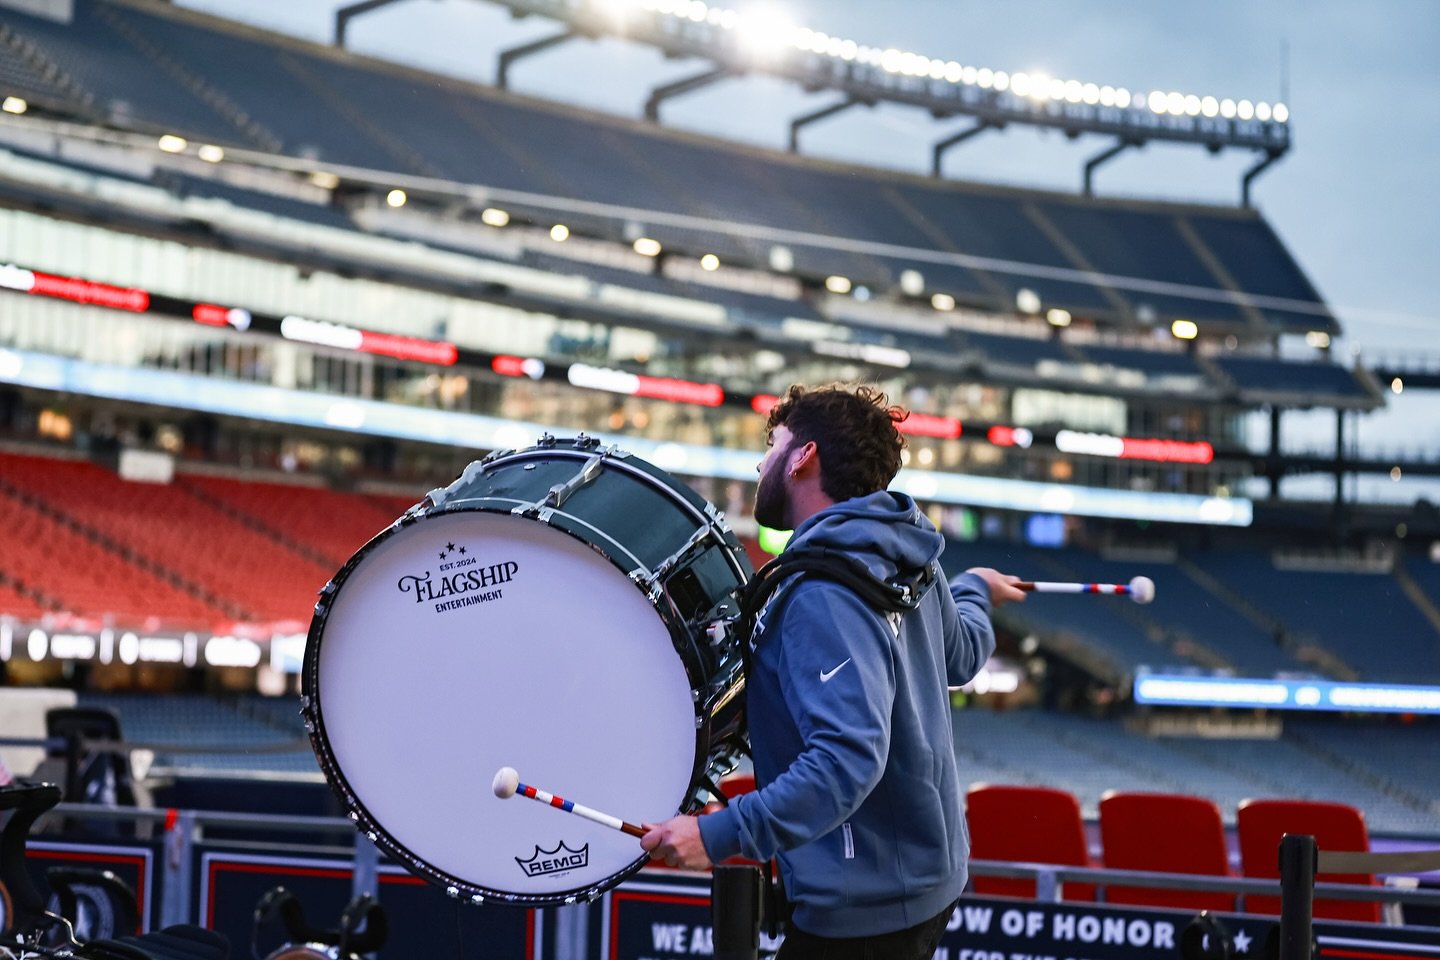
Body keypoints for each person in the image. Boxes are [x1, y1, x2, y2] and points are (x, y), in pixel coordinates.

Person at [641, 383, 1025, 960]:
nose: (762, 462)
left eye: (774, 446)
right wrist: (974, 590)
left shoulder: (824, 590)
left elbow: (846, 760)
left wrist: (717, 836)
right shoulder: (906, 551)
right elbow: (963, 653)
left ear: (804, 457)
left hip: (862, 910)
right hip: (923, 882)